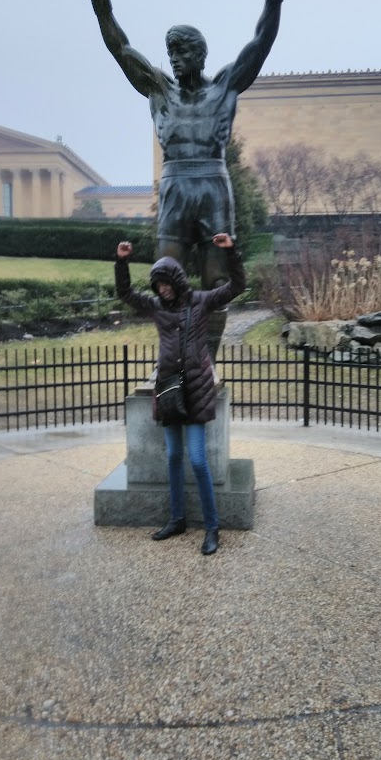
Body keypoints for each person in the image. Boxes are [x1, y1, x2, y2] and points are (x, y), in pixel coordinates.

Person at [79, 0, 294, 359]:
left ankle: (205, 365)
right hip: (176, 186)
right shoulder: (159, 89)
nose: (175, 60)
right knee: (166, 278)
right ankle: (174, 361)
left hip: (214, 184)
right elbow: (120, 49)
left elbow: (261, 41)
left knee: (217, 282)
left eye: (182, 52)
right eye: (171, 52)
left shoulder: (226, 86)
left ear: (201, 53)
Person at [115, 233, 245, 555]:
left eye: (166, 283)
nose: (162, 289)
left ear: (176, 279)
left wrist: (230, 253)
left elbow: (235, 287)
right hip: (169, 387)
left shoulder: (200, 301)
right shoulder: (157, 307)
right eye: (157, 285)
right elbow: (125, 293)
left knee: (198, 460)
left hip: (197, 389)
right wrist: (121, 261)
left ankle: (212, 527)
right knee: (173, 456)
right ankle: (177, 519)